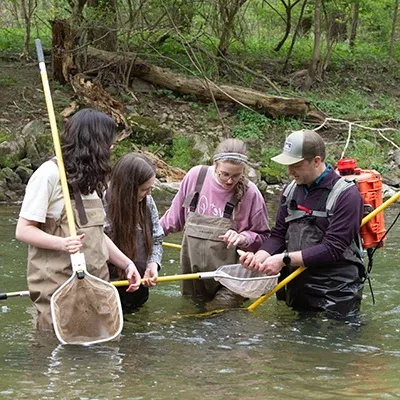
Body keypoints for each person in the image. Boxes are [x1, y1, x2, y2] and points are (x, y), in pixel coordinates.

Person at [15, 108, 141, 330]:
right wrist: (61, 243)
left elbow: (95, 234)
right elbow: (23, 230)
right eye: (107, 141)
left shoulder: (91, 179)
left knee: (102, 354)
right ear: (91, 142)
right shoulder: (49, 175)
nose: (112, 147)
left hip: (96, 286)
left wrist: (127, 263)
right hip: (58, 287)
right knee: (56, 352)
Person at [241, 129, 366, 318]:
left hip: (335, 292)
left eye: (296, 165)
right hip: (296, 285)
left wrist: (283, 259)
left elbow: (332, 248)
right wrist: (259, 257)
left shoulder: (347, 196)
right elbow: (278, 234)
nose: (289, 171)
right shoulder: (290, 190)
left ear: (316, 161)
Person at [160, 138, 270, 308]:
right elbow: (173, 219)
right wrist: (147, 240)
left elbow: (264, 238)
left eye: (236, 176)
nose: (229, 181)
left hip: (231, 282)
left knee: (216, 319)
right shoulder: (196, 177)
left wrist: (242, 237)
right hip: (192, 275)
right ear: (215, 165)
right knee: (192, 318)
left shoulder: (251, 194)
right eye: (224, 174)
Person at [104, 152, 164, 313]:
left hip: (139, 288)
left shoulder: (147, 203)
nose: (149, 193)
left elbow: (157, 239)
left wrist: (153, 263)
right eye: (145, 189)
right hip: (108, 290)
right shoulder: (102, 204)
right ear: (128, 187)